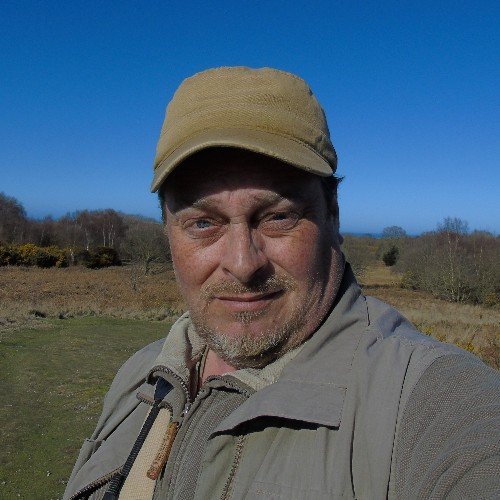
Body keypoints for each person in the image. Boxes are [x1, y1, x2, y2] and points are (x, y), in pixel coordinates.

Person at [64, 67, 499, 500]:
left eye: (277, 216)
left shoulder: (427, 401)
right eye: (202, 223)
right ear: (167, 231)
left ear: (334, 214)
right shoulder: (142, 377)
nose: (242, 263)